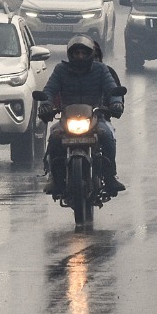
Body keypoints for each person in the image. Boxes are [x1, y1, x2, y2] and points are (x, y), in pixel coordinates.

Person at [40, 35, 126, 197]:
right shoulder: (60, 70)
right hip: (67, 119)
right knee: (54, 138)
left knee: (107, 135)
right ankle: (55, 178)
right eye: (76, 53)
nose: (80, 56)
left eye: (83, 53)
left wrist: (116, 103)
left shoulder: (101, 69)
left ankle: (110, 177)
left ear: (90, 54)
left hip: (96, 118)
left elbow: (112, 89)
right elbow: (49, 90)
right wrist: (45, 104)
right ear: (70, 54)